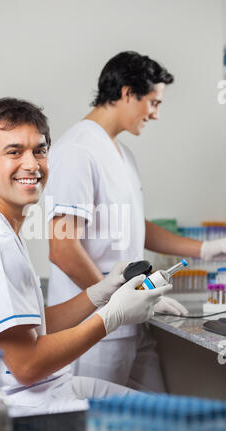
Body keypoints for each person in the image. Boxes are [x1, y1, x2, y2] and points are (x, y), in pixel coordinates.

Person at [0, 98, 171, 417]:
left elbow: (32, 326)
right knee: (173, 423)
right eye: (14, 152)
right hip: (22, 408)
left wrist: (99, 293)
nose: (32, 164)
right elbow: (27, 365)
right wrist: (113, 316)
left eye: (39, 150)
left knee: (164, 411)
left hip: (39, 390)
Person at [45, 51, 226, 392]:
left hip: (133, 323)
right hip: (94, 330)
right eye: (153, 103)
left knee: (161, 427)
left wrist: (208, 248)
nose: (156, 114)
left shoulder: (121, 154)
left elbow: (135, 226)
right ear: (128, 93)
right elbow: (62, 248)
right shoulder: (77, 151)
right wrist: (121, 301)